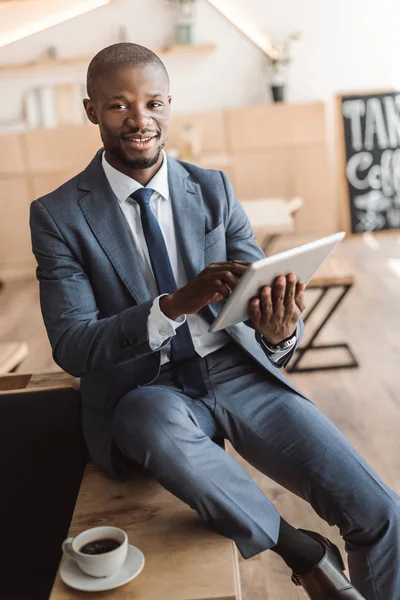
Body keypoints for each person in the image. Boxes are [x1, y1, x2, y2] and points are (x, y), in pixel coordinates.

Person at [30, 43, 399, 600]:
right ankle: (299, 550)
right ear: (91, 111)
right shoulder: (58, 215)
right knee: (149, 421)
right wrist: (173, 305)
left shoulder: (212, 189)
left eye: (154, 103)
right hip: (146, 389)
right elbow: (73, 345)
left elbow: (258, 299)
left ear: (171, 105)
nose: (140, 120)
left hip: (235, 371)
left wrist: (279, 333)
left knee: (382, 515)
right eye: (118, 106)